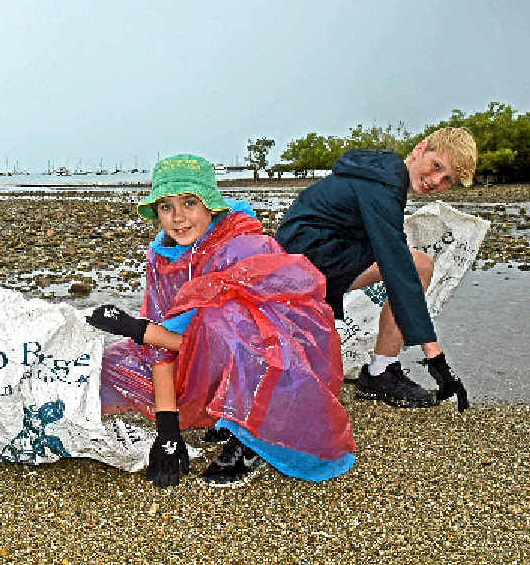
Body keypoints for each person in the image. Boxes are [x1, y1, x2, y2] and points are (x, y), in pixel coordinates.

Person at [88, 154, 355, 488]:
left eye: (189, 203)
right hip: (202, 359)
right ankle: (220, 412)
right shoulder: (161, 258)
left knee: (220, 319)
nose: (178, 217)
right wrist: (168, 430)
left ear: (211, 206)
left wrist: (137, 328)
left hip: (272, 365)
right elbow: (163, 347)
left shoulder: (242, 247)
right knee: (108, 364)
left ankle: (250, 435)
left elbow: (236, 337)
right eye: (166, 207)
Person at [275, 128, 477, 412]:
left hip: (313, 255)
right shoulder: (386, 182)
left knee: (411, 262)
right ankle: (381, 372)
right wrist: (436, 359)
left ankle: (381, 370)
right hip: (304, 261)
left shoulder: (382, 171)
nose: (435, 181)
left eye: (447, 180)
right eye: (436, 166)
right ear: (420, 149)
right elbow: (396, 264)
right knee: (414, 267)